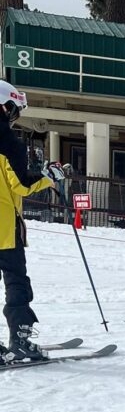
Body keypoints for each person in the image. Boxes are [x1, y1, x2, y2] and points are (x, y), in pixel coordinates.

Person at [0, 81, 54, 362]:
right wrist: (48, 177)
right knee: (16, 281)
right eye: (14, 110)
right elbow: (21, 185)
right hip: (4, 230)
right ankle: (19, 339)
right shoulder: (9, 143)